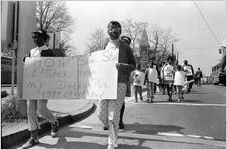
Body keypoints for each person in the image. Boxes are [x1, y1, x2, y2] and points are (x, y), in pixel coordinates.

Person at [97, 21, 136, 149]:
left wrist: (122, 66)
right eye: (111, 28)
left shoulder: (125, 46)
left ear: (120, 31)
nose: (113, 30)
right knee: (101, 113)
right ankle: (112, 130)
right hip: (105, 83)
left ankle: (112, 143)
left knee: (113, 115)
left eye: (116, 28)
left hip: (119, 83)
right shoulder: (105, 45)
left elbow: (133, 65)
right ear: (107, 30)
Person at [22, 29, 59, 149]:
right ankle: (34, 138)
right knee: (30, 111)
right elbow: (26, 64)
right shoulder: (31, 51)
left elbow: (56, 70)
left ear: (44, 38)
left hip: (43, 85)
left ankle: (54, 122)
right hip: (31, 85)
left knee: (41, 109)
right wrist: (26, 61)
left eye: (38, 37)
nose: (35, 39)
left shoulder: (49, 52)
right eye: (33, 37)